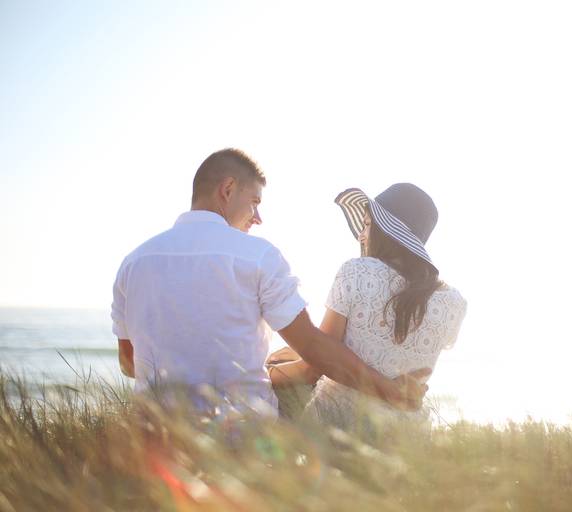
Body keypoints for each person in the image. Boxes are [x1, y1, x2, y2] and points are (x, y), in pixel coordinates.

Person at [111, 148, 428, 418]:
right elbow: (315, 350)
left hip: (156, 435)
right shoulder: (257, 256)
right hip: (241, 434)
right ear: (228, 189)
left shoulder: (133, 262)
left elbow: (129, 363)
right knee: (309, 380)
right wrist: (392, 392)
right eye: (254, 201)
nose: (257, 217)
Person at [268, 183, 467, 436]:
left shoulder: (357, 272)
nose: (362, 235)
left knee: (276, 393)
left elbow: (315, 366)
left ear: (383, 231)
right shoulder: (454, 303)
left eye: (367, 225)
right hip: (405, 435)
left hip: (338, 424)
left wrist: (266, 372)